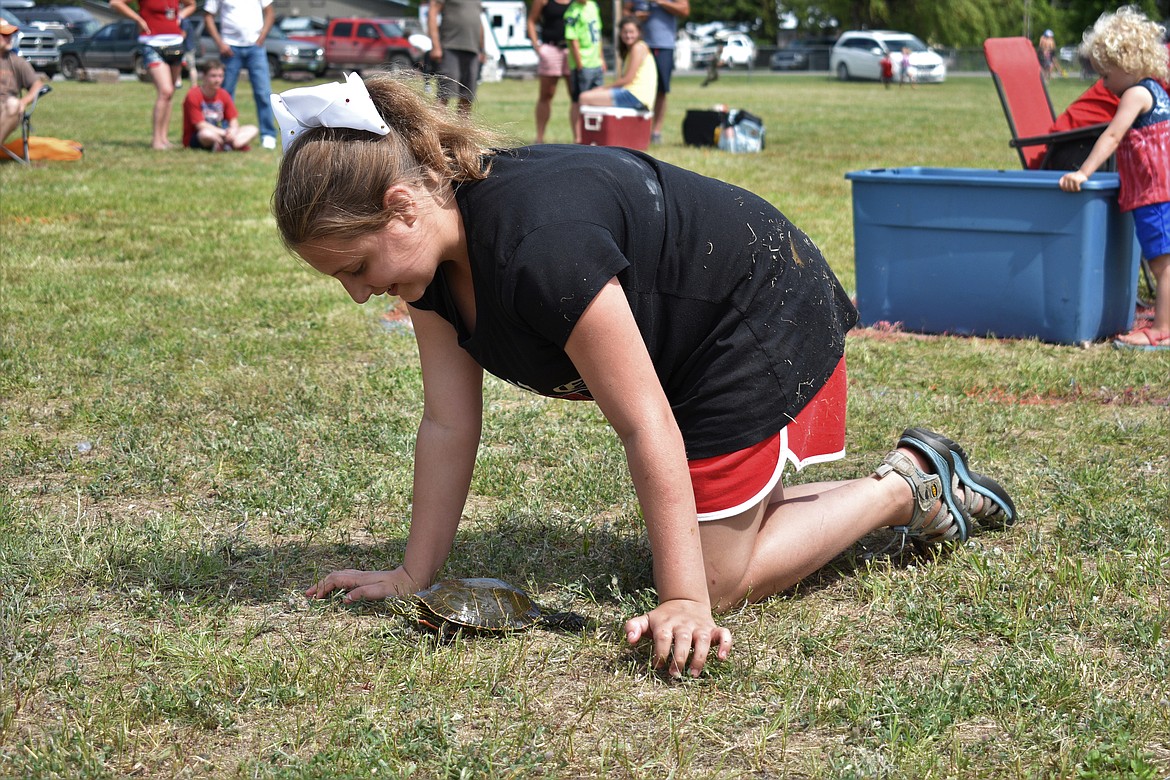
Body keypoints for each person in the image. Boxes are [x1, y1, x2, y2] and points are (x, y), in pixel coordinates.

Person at [271, 72, 1018, 677]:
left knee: (716, 576)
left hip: (752, 315)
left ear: (401, 207)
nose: (359, 292)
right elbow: (447, 421)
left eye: (357, 266)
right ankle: (888, 486)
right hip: (688, 344)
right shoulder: (431, 266)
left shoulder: (540, 250)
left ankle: (906, 486)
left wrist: (688, 599)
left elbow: (643, 420)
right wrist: (414, 574)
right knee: (686, 543)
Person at [1059, 7, 1170, 350]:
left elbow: (1111, 136)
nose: (1103, 84)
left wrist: (1083, 171)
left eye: (1105, 75)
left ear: (1126, 64)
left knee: (1162, 264)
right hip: (1162, 188)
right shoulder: (1159, 92)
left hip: (1155, 193)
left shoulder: (1135, 95)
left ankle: (1161, 329)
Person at [111, 0, 197, 150]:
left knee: (170, 93)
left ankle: (164, 138)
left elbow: (192, 4)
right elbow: (115, 3)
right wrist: (138, 18)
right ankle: (156, 140)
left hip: (175, 42)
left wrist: (180, 16)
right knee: (165, 91)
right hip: (152, 43)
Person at [203, 0, 278, 149]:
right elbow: (208, 16)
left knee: (263, 93)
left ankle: (268, 134)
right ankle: (226, 134)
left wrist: (262, 36)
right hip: (230, 47)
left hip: (255, 47)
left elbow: (270, 12)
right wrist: (220, 43)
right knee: (225, 94)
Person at [623, 0, 688, 144]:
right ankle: (635, 128)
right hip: (639, 44)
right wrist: (635, 17)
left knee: (661, 90)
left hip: (663, 45)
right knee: (633, 87)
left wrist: (661, 2)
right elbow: (625, 11)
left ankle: (655, 132)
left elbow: (685, 10)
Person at [579, 16, 656, 112]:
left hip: (635, 96)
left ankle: (581, 127)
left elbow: (627, 79)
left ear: (639, 32)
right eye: (625, 32)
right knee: (590, 97)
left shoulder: (638, 48)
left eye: (631, 32)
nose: (628, 35)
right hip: (636, 96)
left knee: (584, 97)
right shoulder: (634, 49)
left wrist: (603, 88)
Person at [182, 59, 258, 151]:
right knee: (206, 134)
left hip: (220, 132)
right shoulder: (193, 95)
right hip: (198, 135)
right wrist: (223, 132)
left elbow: (233, 120)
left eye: (220, 76)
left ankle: (229, 144)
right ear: (204, 76)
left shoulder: (223, 94)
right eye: (213, 76)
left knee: (253, 129)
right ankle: (229, 145)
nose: (217, 80)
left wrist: (233, 131)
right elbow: (200, 125)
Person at [427, 0, 485, 115]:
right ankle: (436, 130)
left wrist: (482, 49)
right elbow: (432, 12)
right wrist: (436, 46)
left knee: (467, 97)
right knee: (444, 95)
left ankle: (462, 131)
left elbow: (478, 21)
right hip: (450, 47)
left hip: (472, 49)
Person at [527, 0, 573, 143]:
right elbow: (531, 21)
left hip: (573, 50)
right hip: (551, 49)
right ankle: (539, 137)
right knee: (546, 94)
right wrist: (537, 46)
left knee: (577, 96)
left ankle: (580, 138)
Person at [563, 0, 603, 143]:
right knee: (578, 100)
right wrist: (580, 64)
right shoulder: (572, 12)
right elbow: (573, 39)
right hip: (583, 63)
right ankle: (578, 137)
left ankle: (595, 136)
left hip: (596, 62)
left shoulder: (593, 5)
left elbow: (598, 35)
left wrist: (601, 58)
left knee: (598, 100)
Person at [0, 21, 45, 147]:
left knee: (13, 104)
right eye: (4, 34)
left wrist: (23, 102)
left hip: (7, 110)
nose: (9, 38)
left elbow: (37, 85)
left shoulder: (16, 61)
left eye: (10, 34)